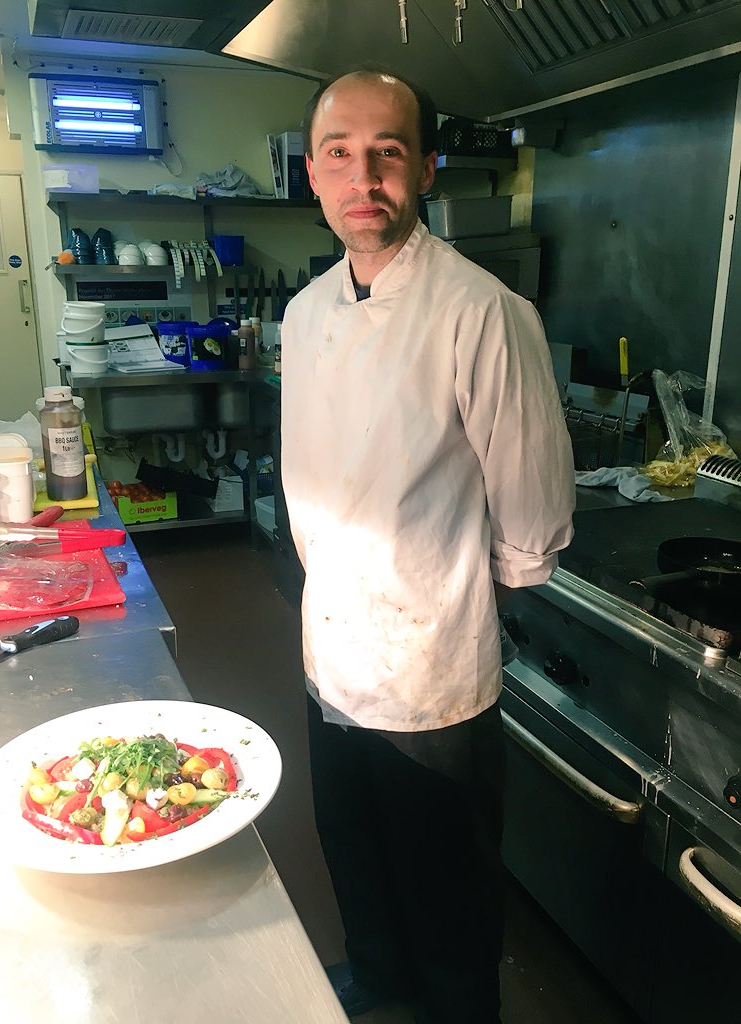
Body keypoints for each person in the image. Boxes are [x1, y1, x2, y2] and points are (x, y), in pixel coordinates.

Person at [280, 65, 575, 1024]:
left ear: (428, 168)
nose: (362, 177)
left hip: (432, 672)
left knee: (446, 894)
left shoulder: (482, 311)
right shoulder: (305, 313)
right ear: (313, 173)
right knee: (353, 852)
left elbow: (531, 514)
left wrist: (446, 597)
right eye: (338, 154)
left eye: (388, 152)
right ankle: (377, 986)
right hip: (330, 652)